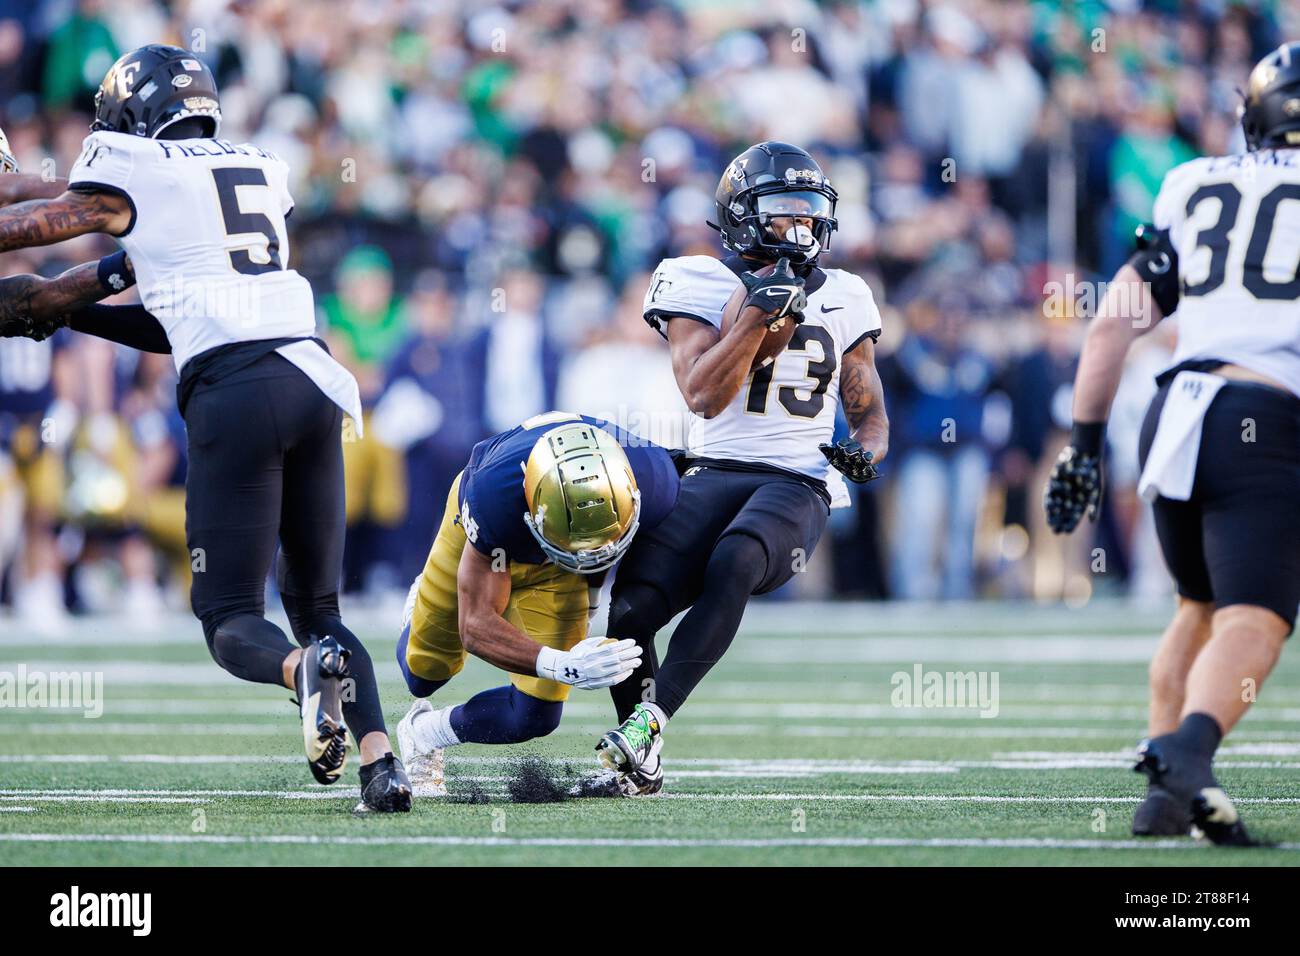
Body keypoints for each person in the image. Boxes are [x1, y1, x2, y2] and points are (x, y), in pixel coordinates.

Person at [0, 45, 410, 812]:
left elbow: (37, 223)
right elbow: (180, 314)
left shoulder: (138, 171)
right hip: (313, 375)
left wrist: (41, 291)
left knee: (229, 621)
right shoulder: (257, 163)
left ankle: (299, 675)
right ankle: (381, 764)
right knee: (321, 609)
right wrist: (66, 307)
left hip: (237, 392)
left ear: (133, 118)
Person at [1044, 41, 1300, 845]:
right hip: (1263, 418)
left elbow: (1115, 319)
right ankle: (1186, 754)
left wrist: (1083, 443)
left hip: (1180, 410)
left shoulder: (1194, 182)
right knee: (1256, 621)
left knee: (1199, 606)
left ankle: (1160, 803)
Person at [595, 141, 890, 781]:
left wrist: (864, 454)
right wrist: (759, 314)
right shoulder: (696, 277)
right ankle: (641, 761)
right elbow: (702, 395)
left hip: (797, 481)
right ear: (742, 214)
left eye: (811, 215)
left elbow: (869, 410)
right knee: (629, 610)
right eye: (785, 213)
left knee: (734, 560)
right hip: (713, 468)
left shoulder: (844, 292)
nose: (802, 228)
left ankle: (649, 723)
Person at [394, 412, 678, 796]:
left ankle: (425, 733)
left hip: (557, 565)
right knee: (423, 674)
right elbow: (475, 626)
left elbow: (613, 557)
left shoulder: (657, 481)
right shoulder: (493, 497)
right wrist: (560, 664)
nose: (588, 556)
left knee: (535, 715)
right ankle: (419, 602)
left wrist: (593, 602)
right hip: (486, 546)